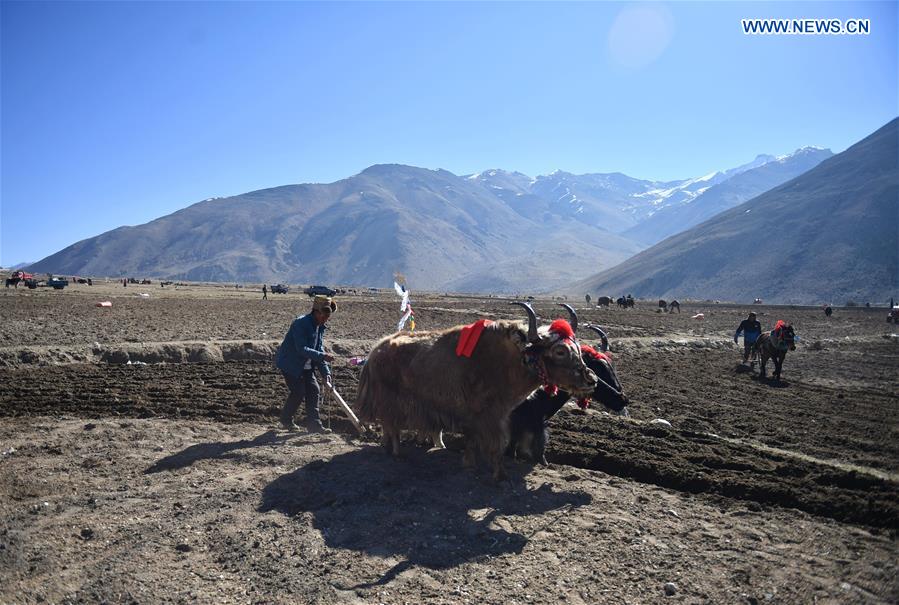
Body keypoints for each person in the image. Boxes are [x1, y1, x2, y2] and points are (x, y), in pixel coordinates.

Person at [276, 295, 336, 433]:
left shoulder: (319, 326)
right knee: (299, 391)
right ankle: (285, 420)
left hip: (306, 366)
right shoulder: (300, 323)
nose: (326, 320)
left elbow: (318, 348)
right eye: (324, 316)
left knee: (314, 390)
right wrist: (322, 356)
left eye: (328, 317)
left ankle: (314, 425)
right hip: (291, 363)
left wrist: (326, 372)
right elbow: (301, 349)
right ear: (316, 312)